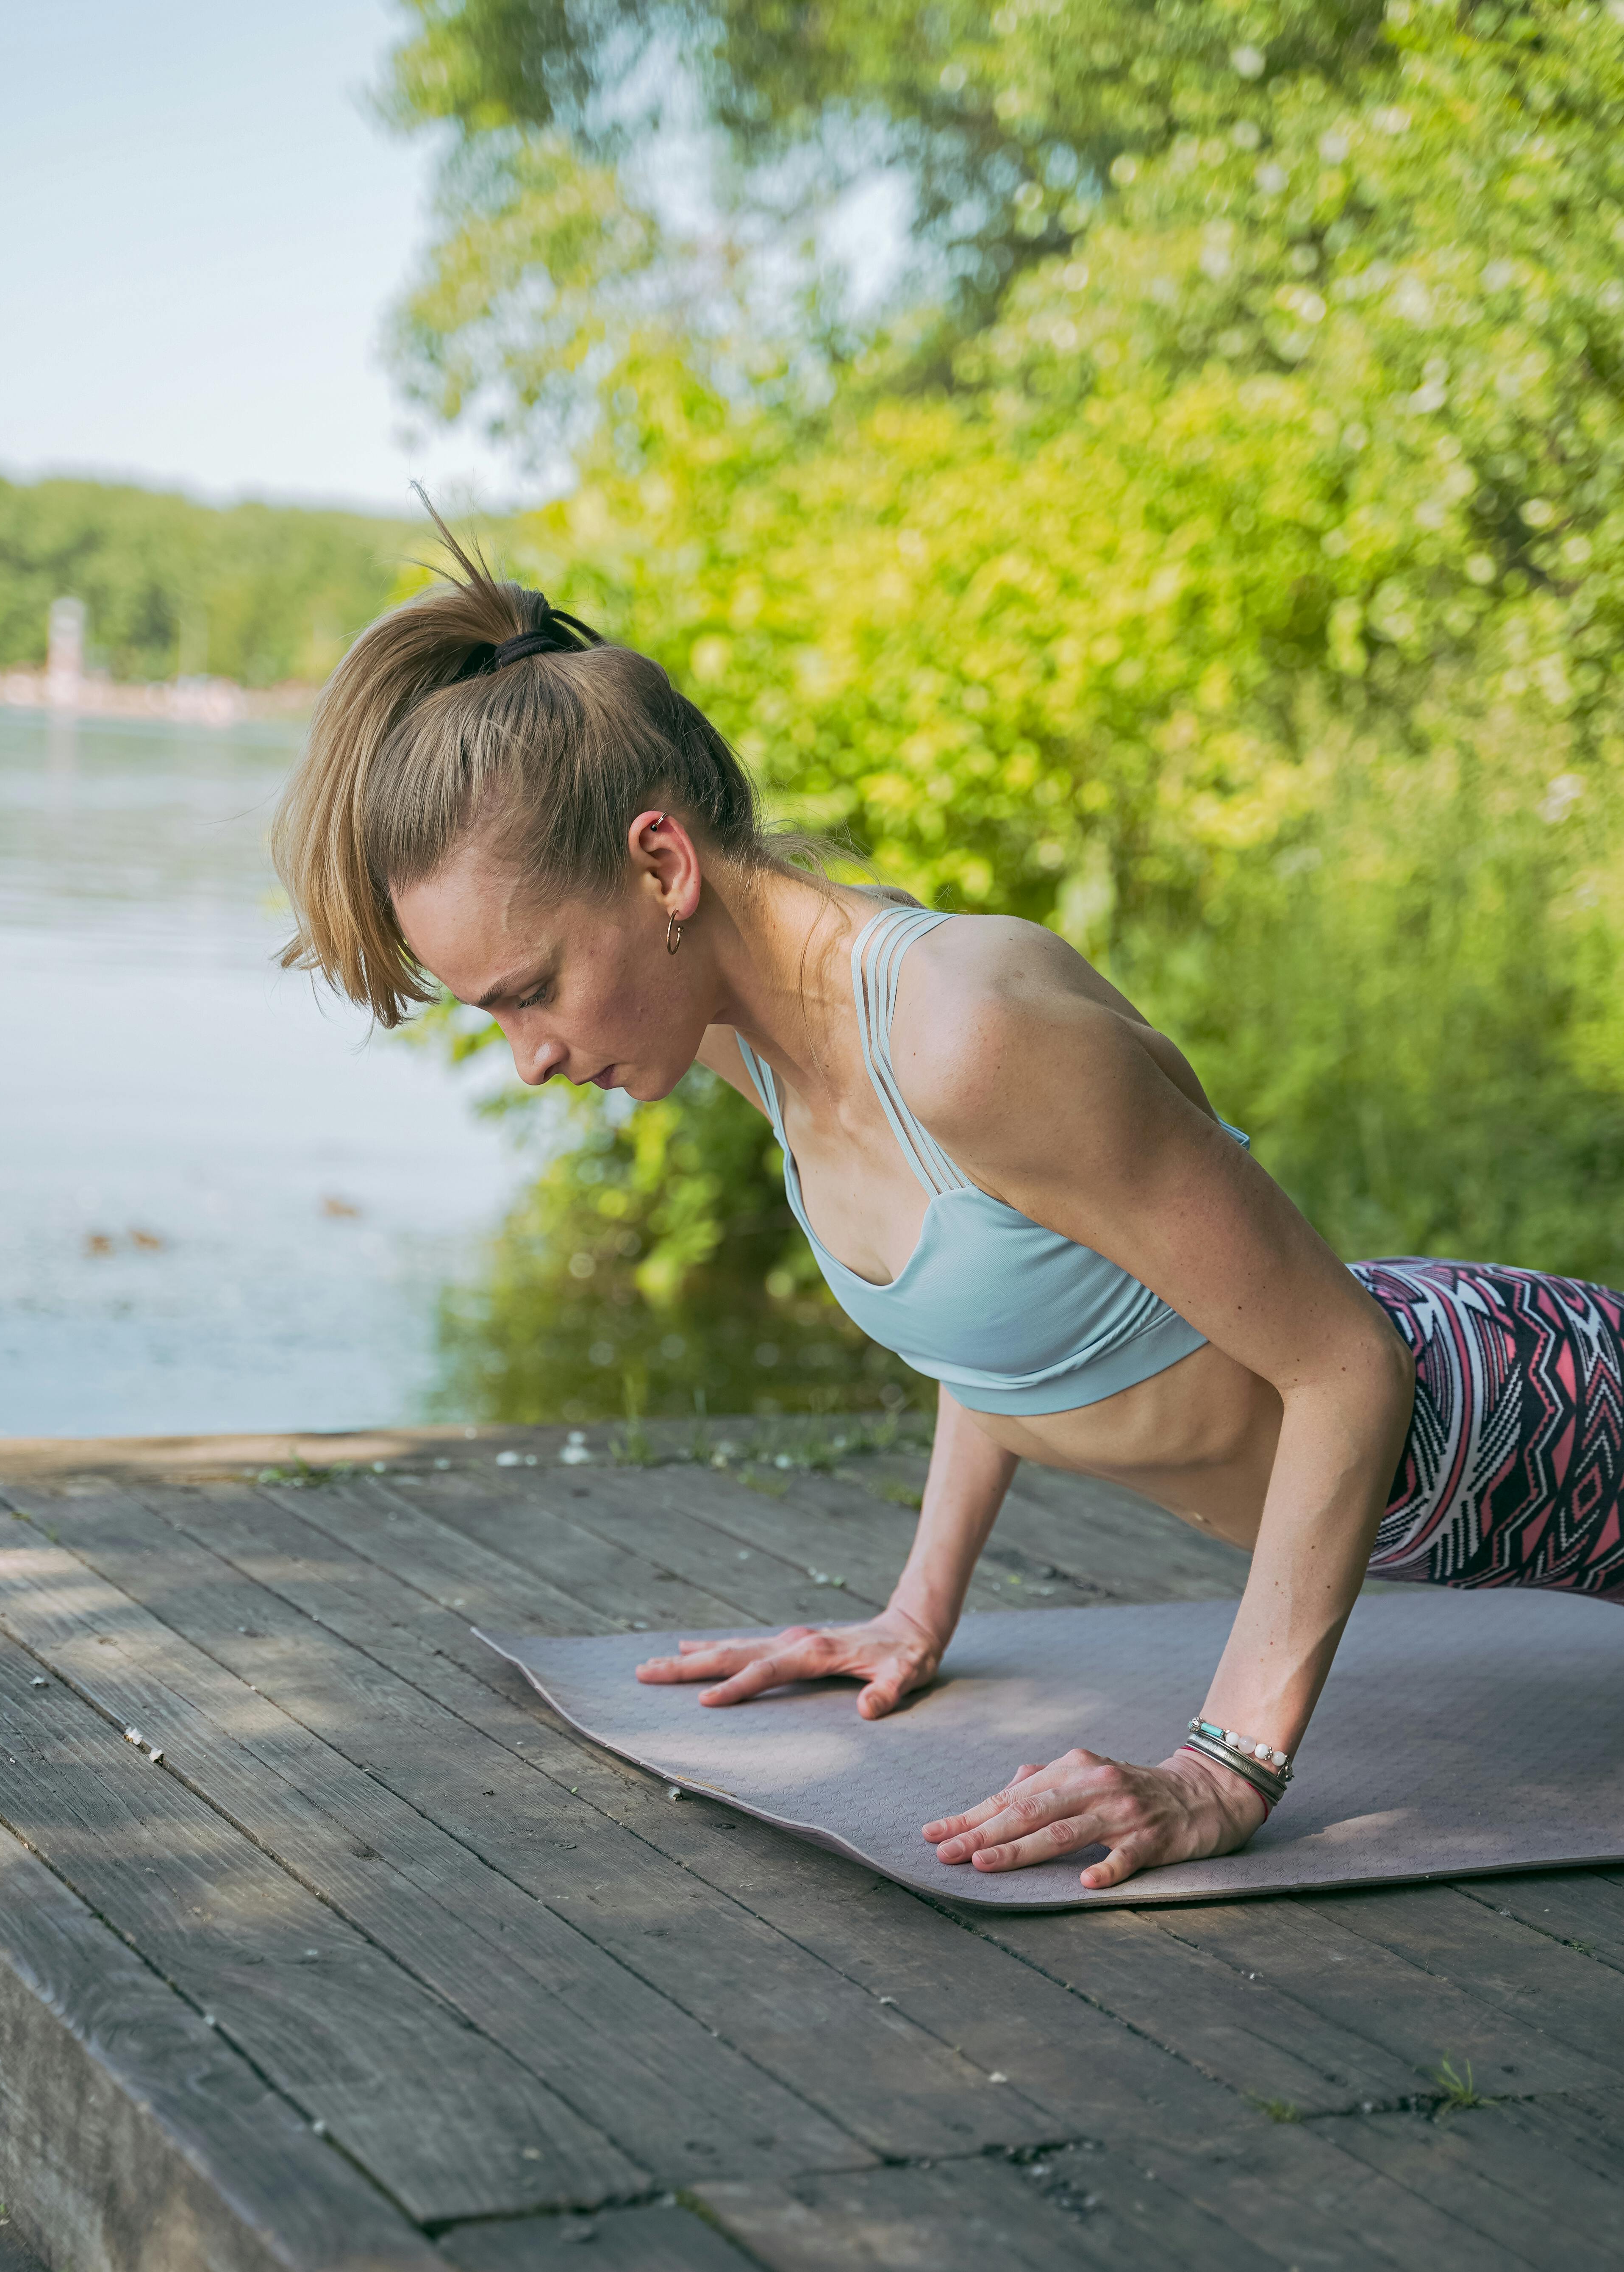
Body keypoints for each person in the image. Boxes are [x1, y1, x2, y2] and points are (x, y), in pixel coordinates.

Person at [273, 532, 1624, 1892]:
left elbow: (1345, 1364)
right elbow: (989, 1311)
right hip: (1457, 1510)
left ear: (662, 868)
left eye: (528, 989)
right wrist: (917, 1610)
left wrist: (1227, 1768)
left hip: (1533, 1414)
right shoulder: (756, 1039)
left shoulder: (965, 1033)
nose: (531, 1056)